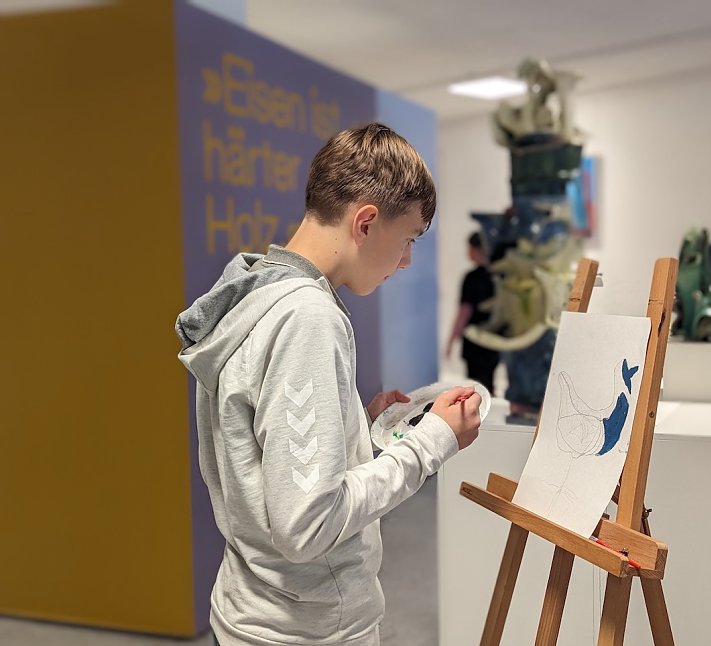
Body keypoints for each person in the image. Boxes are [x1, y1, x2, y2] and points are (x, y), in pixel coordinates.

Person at [175, 123, 481, 646]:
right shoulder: (308, 318)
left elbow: (269, 458)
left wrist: (358, 428)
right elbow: (306, 525)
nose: (405, 262)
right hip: (309, 628)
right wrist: (432, 443)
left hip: (249, 609)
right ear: (365, 222)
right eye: (407, 240)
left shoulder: (252, 296)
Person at [446, 232, 500, 394]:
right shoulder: (499, 277)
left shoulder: (472, 278)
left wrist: (451, 340)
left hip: (474, 340)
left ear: (477, 249)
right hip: (494, 338)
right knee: (489, 381)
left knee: (476, 385)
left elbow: (465, 311)